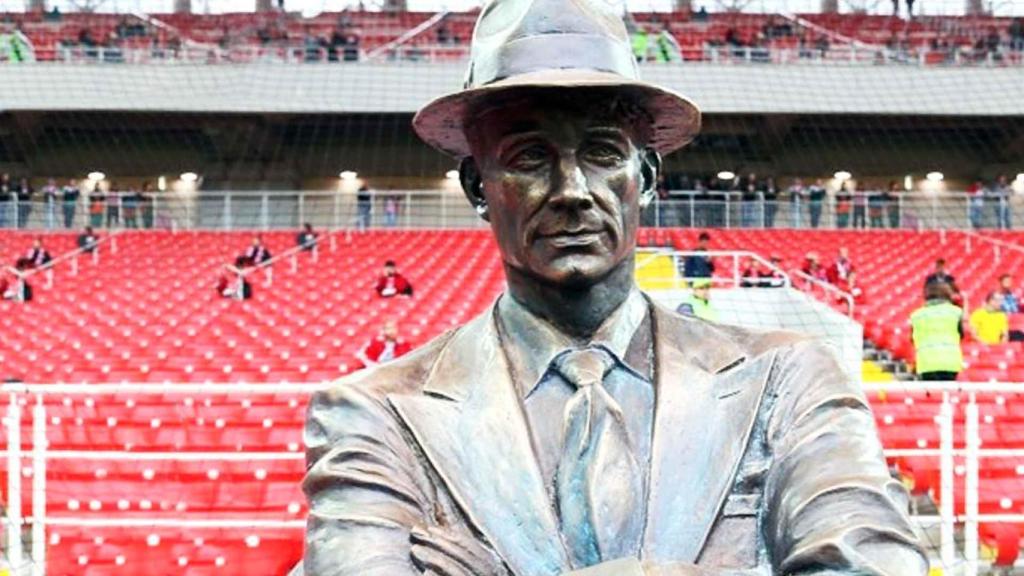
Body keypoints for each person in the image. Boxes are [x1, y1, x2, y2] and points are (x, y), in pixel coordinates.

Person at [304, 2, 926, 574]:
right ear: (477, 188)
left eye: (603, 153)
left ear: (646, 176)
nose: (573, 189)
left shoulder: (786, 377)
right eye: (528, 157)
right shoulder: (376, 412)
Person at [911, 283, 962, 381]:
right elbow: (962, 334)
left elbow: (913, 339)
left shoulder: (916, 315)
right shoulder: (956, 312)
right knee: (946, 394)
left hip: (926, 362)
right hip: (950, 361)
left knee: (930, 395)